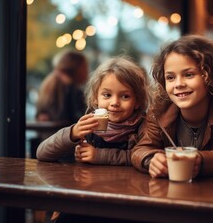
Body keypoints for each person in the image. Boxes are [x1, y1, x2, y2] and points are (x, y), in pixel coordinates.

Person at [36, 56, 150, 222]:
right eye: (107, 95)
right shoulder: (89, 124)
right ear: (96, 98)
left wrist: (98, 155)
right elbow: (43, 153)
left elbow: (142, 157)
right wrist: (72, 133)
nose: (114, 103)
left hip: (126, 201)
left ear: (137, 101)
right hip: (88, 198)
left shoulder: (143, 127)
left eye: (125, 96)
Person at [131, 34, 213, 179]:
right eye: (170, 77)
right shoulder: (158, 112)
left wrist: (201, 161)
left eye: (189, 74)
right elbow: (140, 149)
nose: (179, 84)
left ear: (210, 76)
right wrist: (151, 160)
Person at [31, 49, 89, 157]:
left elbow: (41, 115)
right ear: (77, 68)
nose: (87, 71)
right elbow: (76, 119)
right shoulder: (71, 89)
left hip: (48, 144)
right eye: (85, 67)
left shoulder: (49, 82)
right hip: (66, 149)